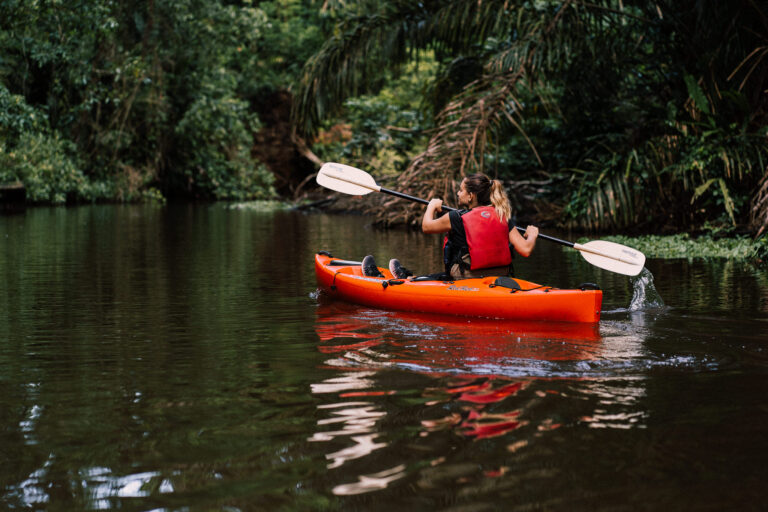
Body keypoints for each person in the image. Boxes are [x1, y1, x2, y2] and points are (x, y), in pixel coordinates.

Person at [363, 174, 539, 280]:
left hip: (467, 277)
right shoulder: (502, 216)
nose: (458, 193)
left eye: (461, 190)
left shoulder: (456, 217)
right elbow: (525, 249)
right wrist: (532, 234)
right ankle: (406, 275)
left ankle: (397, 279)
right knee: (436, 277)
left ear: (471, 196)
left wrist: (431, 206)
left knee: (432, 279)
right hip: (498, 277)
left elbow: (426, 227)